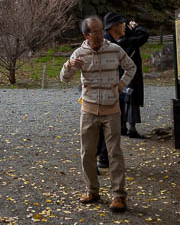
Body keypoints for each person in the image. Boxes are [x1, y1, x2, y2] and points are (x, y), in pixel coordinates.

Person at [60, 15, 136, 213]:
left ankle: (119, 196)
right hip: (88, 109)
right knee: (87, 153)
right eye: (96, 32)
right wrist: (69, 66)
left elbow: (131, 67)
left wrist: (121, 85)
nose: (101, 35)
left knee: (115, 153)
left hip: (112, 109)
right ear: (86, 34)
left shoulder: (115, 49)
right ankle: (92, 190)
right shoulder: (79, 54)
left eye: (102, 30)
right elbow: (64, 78)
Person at [97, 12, 150, 167]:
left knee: (108, 126)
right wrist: (136, 27)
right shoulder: (119, 43)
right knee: (107, 126)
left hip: (111, 88)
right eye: (122, 23)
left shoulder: (111, 40)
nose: (125, 26)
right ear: (114, 26)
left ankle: (104, 158)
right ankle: (102, 158)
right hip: (110, 90)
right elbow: (144, 36)